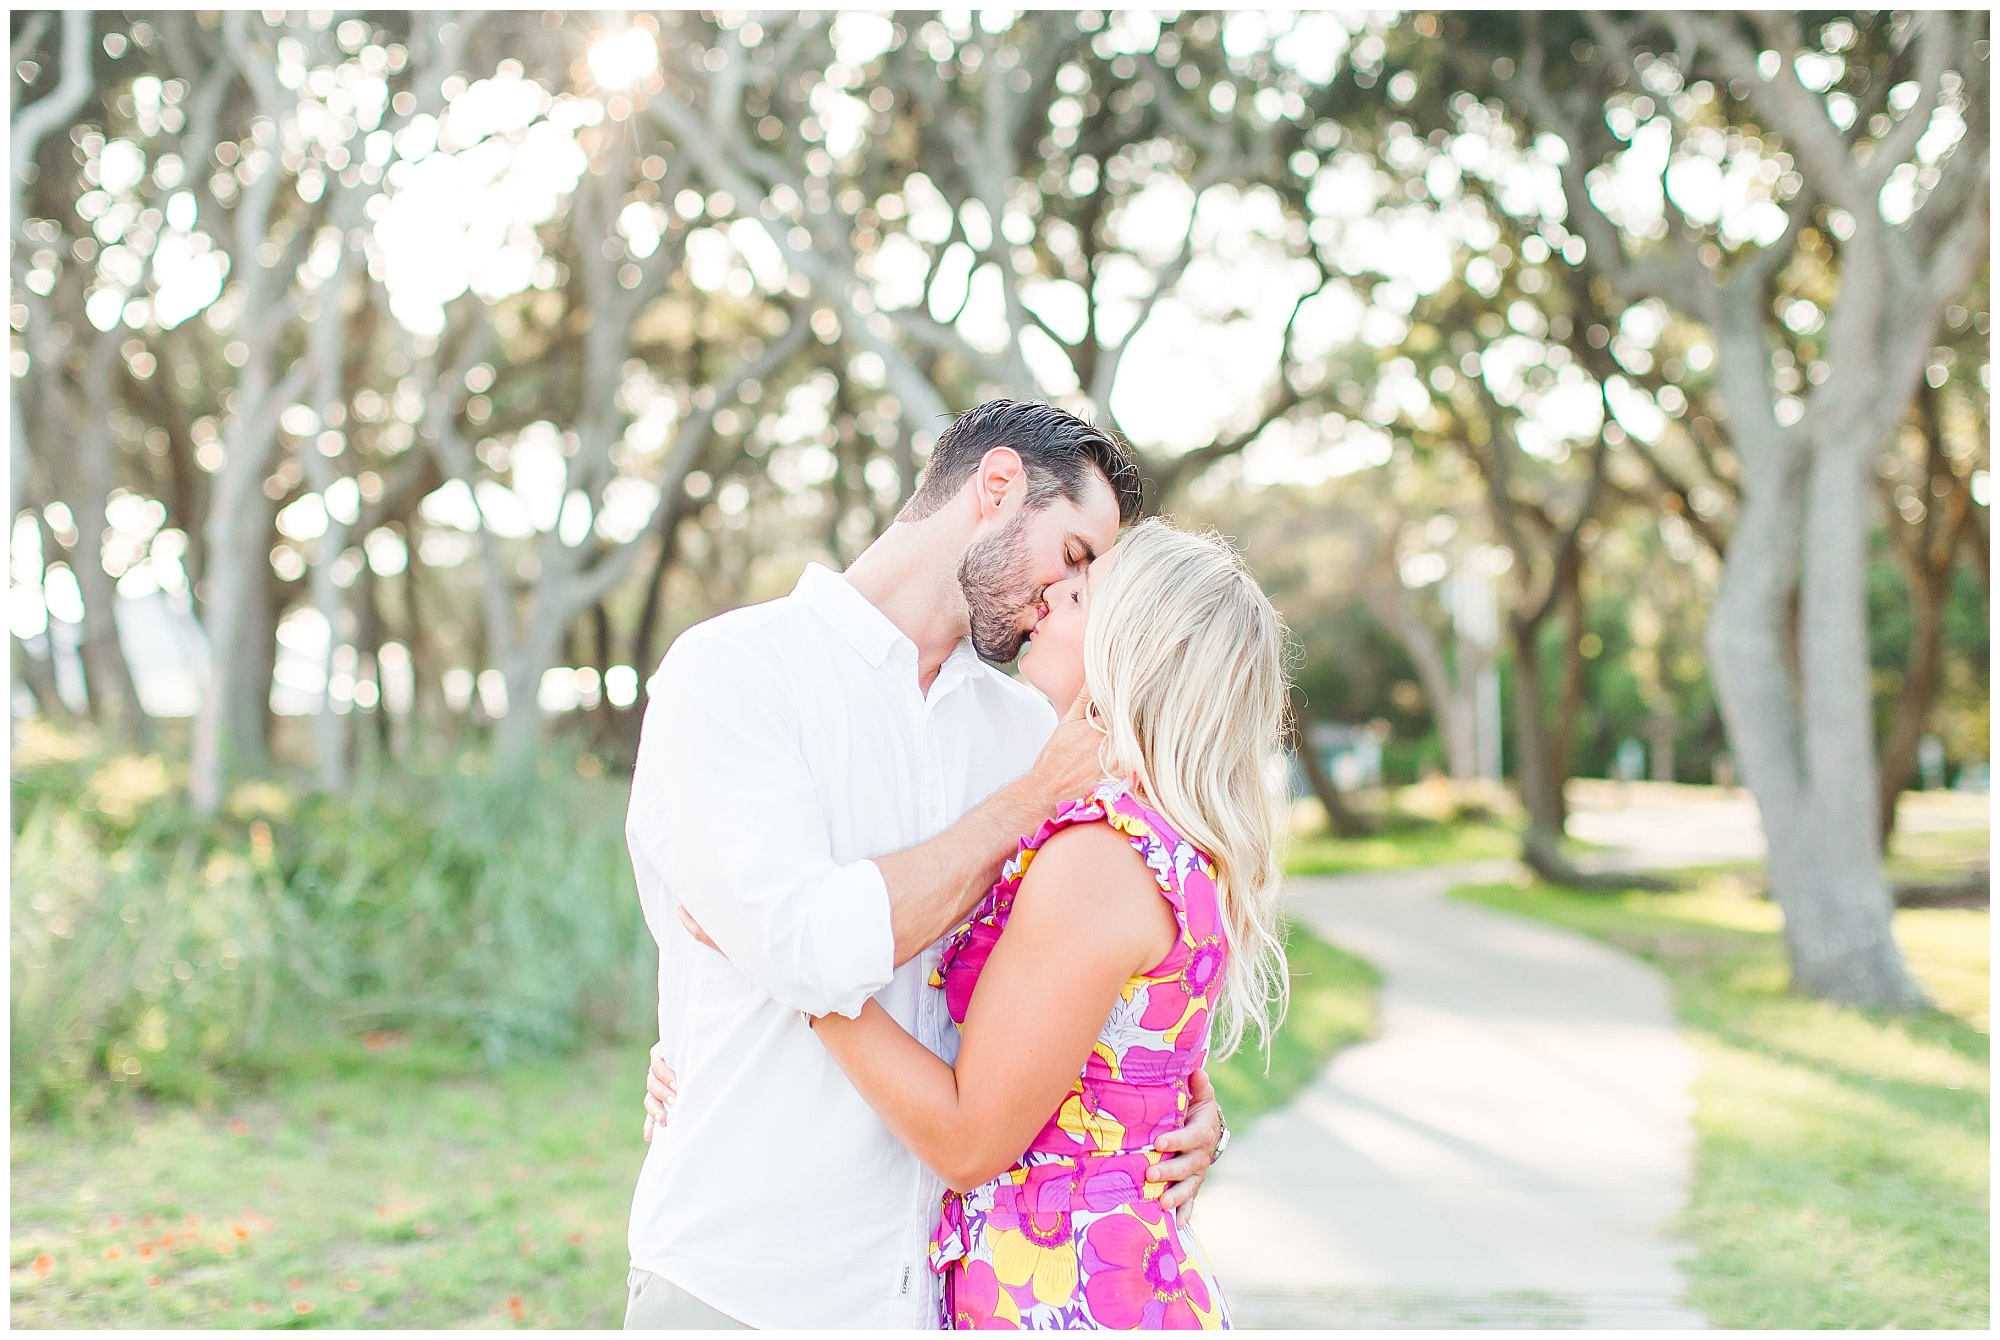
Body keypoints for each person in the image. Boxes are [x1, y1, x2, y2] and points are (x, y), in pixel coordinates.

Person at [621, 401, 1227, 1330]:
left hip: (937, 1293)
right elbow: (810, 951)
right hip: (746, 1281)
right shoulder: (733, 674)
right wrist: (1023, 806)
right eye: (1071, 557)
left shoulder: (1030, 725)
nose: (1066, 601)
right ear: (997, 488)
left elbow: (1087, 962)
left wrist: (1178, 1098)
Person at [806, 518, 1290, 1329]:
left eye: (1073, 595)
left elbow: (968, 1142)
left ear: (1131, 646)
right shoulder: (1161, 838)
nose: (1042, 606)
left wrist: (800, 970)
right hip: (1100, 1282)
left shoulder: (1101, 857)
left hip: (1068, 1295)